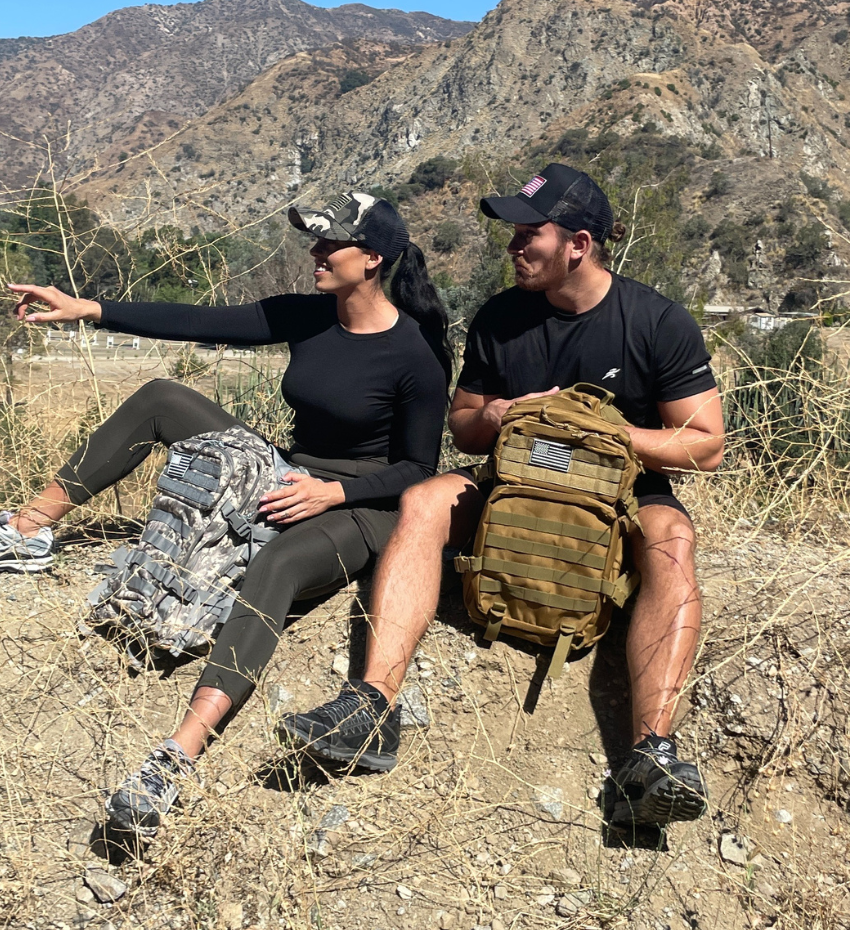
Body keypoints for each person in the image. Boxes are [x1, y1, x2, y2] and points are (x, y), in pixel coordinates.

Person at [0, 193, 450, 837]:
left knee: (278, 566)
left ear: (371, 259)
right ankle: (26, 531)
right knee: (162, 397)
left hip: (361, 505)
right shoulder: (310, 316)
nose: (316, 253)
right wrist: (88, 309)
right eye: (316, 241)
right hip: (286, 471)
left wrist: (333, 495)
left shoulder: (415, 354)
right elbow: (197, 319)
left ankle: (175, 756)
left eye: (330, 244)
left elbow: (418, 468)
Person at [280, 163, 725, 828]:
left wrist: (597, 431)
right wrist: (500, 413)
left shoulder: (656, 321)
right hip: (513, 479)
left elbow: (705, 444)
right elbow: (465, 427)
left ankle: (649, 756)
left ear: (578, 244)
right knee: (424, 501)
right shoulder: (500, 317)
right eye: (513, 233)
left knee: (674, 540)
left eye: (528, 234)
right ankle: (372, 708)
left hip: (622, 491)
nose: (513, 246)